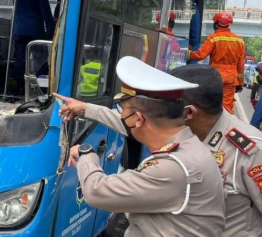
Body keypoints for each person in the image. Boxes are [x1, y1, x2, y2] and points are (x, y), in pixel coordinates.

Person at [56, 57, 225, 237]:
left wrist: (86, 154)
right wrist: (84, 108)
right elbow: (127, 123)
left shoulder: (173, 167)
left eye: (123, 110)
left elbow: (96, 191)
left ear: (138, 119)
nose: (121, 116)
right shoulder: (190, 146)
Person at [166, 65, 262, 237]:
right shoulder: (183, 134)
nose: (162, 112)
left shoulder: (250, 151)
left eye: (167, 106)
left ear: (189, 112)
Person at [7, 0, 55, 94]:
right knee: (41, 60)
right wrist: (51, 30)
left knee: (20, 59)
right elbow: (45, 12)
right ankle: (39, 88)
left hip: (18, 31)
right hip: (35, 31)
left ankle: (17, 87)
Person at [189, 12, 245, 114]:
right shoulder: (239, 41)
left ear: (217, 24)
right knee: (227, 107)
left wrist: (186, 54)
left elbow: (200, 55)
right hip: (230, 79)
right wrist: (240, 83)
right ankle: (225, 128)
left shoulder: (213, 38)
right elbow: (241, 64)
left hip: (215, 77)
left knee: (210, 104)